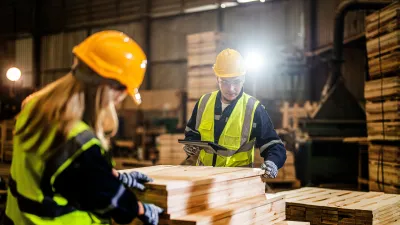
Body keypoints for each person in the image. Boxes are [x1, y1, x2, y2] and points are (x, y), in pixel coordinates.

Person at [5, 30, 164, 225]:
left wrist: (113, 176)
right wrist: (138, 208)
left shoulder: (34, 108)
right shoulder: (77, 141)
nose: (120, 99)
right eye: (123, 91)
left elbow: (62, 173)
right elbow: (107, 199)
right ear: (111, 87)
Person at [183, 48, 287, 178]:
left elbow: (273, 145)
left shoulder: (253, 108)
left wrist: (272, 162)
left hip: (237, 183)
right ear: (217, 79)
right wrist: (191, 143)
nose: (231, 89)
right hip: (203, 178)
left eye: (236, 82)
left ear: (243, 78)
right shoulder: (204, 102)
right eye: (225, 82)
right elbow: (192, 132)